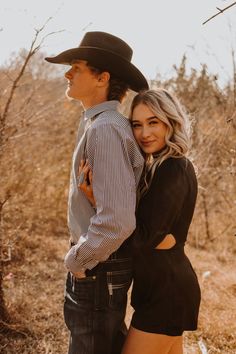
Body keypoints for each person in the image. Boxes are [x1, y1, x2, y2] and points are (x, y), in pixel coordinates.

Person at [44, 31, 148, 354]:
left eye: (77, 66)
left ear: (102, 77)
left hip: (98, 268)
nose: (67, 73)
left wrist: (78, 259)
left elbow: (117, 221)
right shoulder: (98, 124)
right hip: (100, 268)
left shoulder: (104, 129)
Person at [79, 89, 201, 354]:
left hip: (166, 293)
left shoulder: (173, 167)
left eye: (153, 122)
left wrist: (102, 205)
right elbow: (154, 236)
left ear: (170, 122)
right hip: (159, 289)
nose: (145, 133)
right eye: (137, 124)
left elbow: (144, 237)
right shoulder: (156, 166)